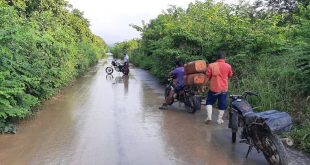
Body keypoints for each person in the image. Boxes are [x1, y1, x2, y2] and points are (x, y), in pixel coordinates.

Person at [204, 51, 233, 124]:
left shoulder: (211, 65)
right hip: (223, 89)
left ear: (217, 58)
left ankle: (209, 117)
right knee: (222, 104)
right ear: (225, 58)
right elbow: (230, 75)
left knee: (209, 102)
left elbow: (207, 77)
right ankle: (219, 120)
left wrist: (204, 85)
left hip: (214, 88)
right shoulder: (228, 66)